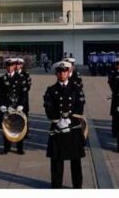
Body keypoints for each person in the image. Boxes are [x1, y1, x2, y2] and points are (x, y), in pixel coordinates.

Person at [44, 61, 86, 189]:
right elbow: (48, 108)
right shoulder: (51, 90)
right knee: (56, 160)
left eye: (65, 71)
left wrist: (70, 119)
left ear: (69, 72)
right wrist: (58, 120)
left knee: (76, 160)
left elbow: (80, 106)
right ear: (56, 74)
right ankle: (56, 186)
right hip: (58, 128)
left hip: (73, 128)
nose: (62, 74)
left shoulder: (76, 88)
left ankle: (77, 186)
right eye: (60, 72)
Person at [0, 58, 23, 154]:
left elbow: (23, 93)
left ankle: (19, 148)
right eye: (8, 65)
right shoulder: (2, 78)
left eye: (11, 65)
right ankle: (6, 148)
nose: (10, 67)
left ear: (14, 66)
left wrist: (21, 105)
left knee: (19, 127)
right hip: (6, 107)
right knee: (6, 128)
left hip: (17, 107)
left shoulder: (20, 78)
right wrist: (2, 105)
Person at [13, 58, 31, 154]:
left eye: (19, 64)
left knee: (25, 117)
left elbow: (28, 86)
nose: (17, 66)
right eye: (16, 64)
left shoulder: (25, 74)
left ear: (22, 65)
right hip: (13, 101)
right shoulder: (12, 73)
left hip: (23, 100)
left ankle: (26, 132)